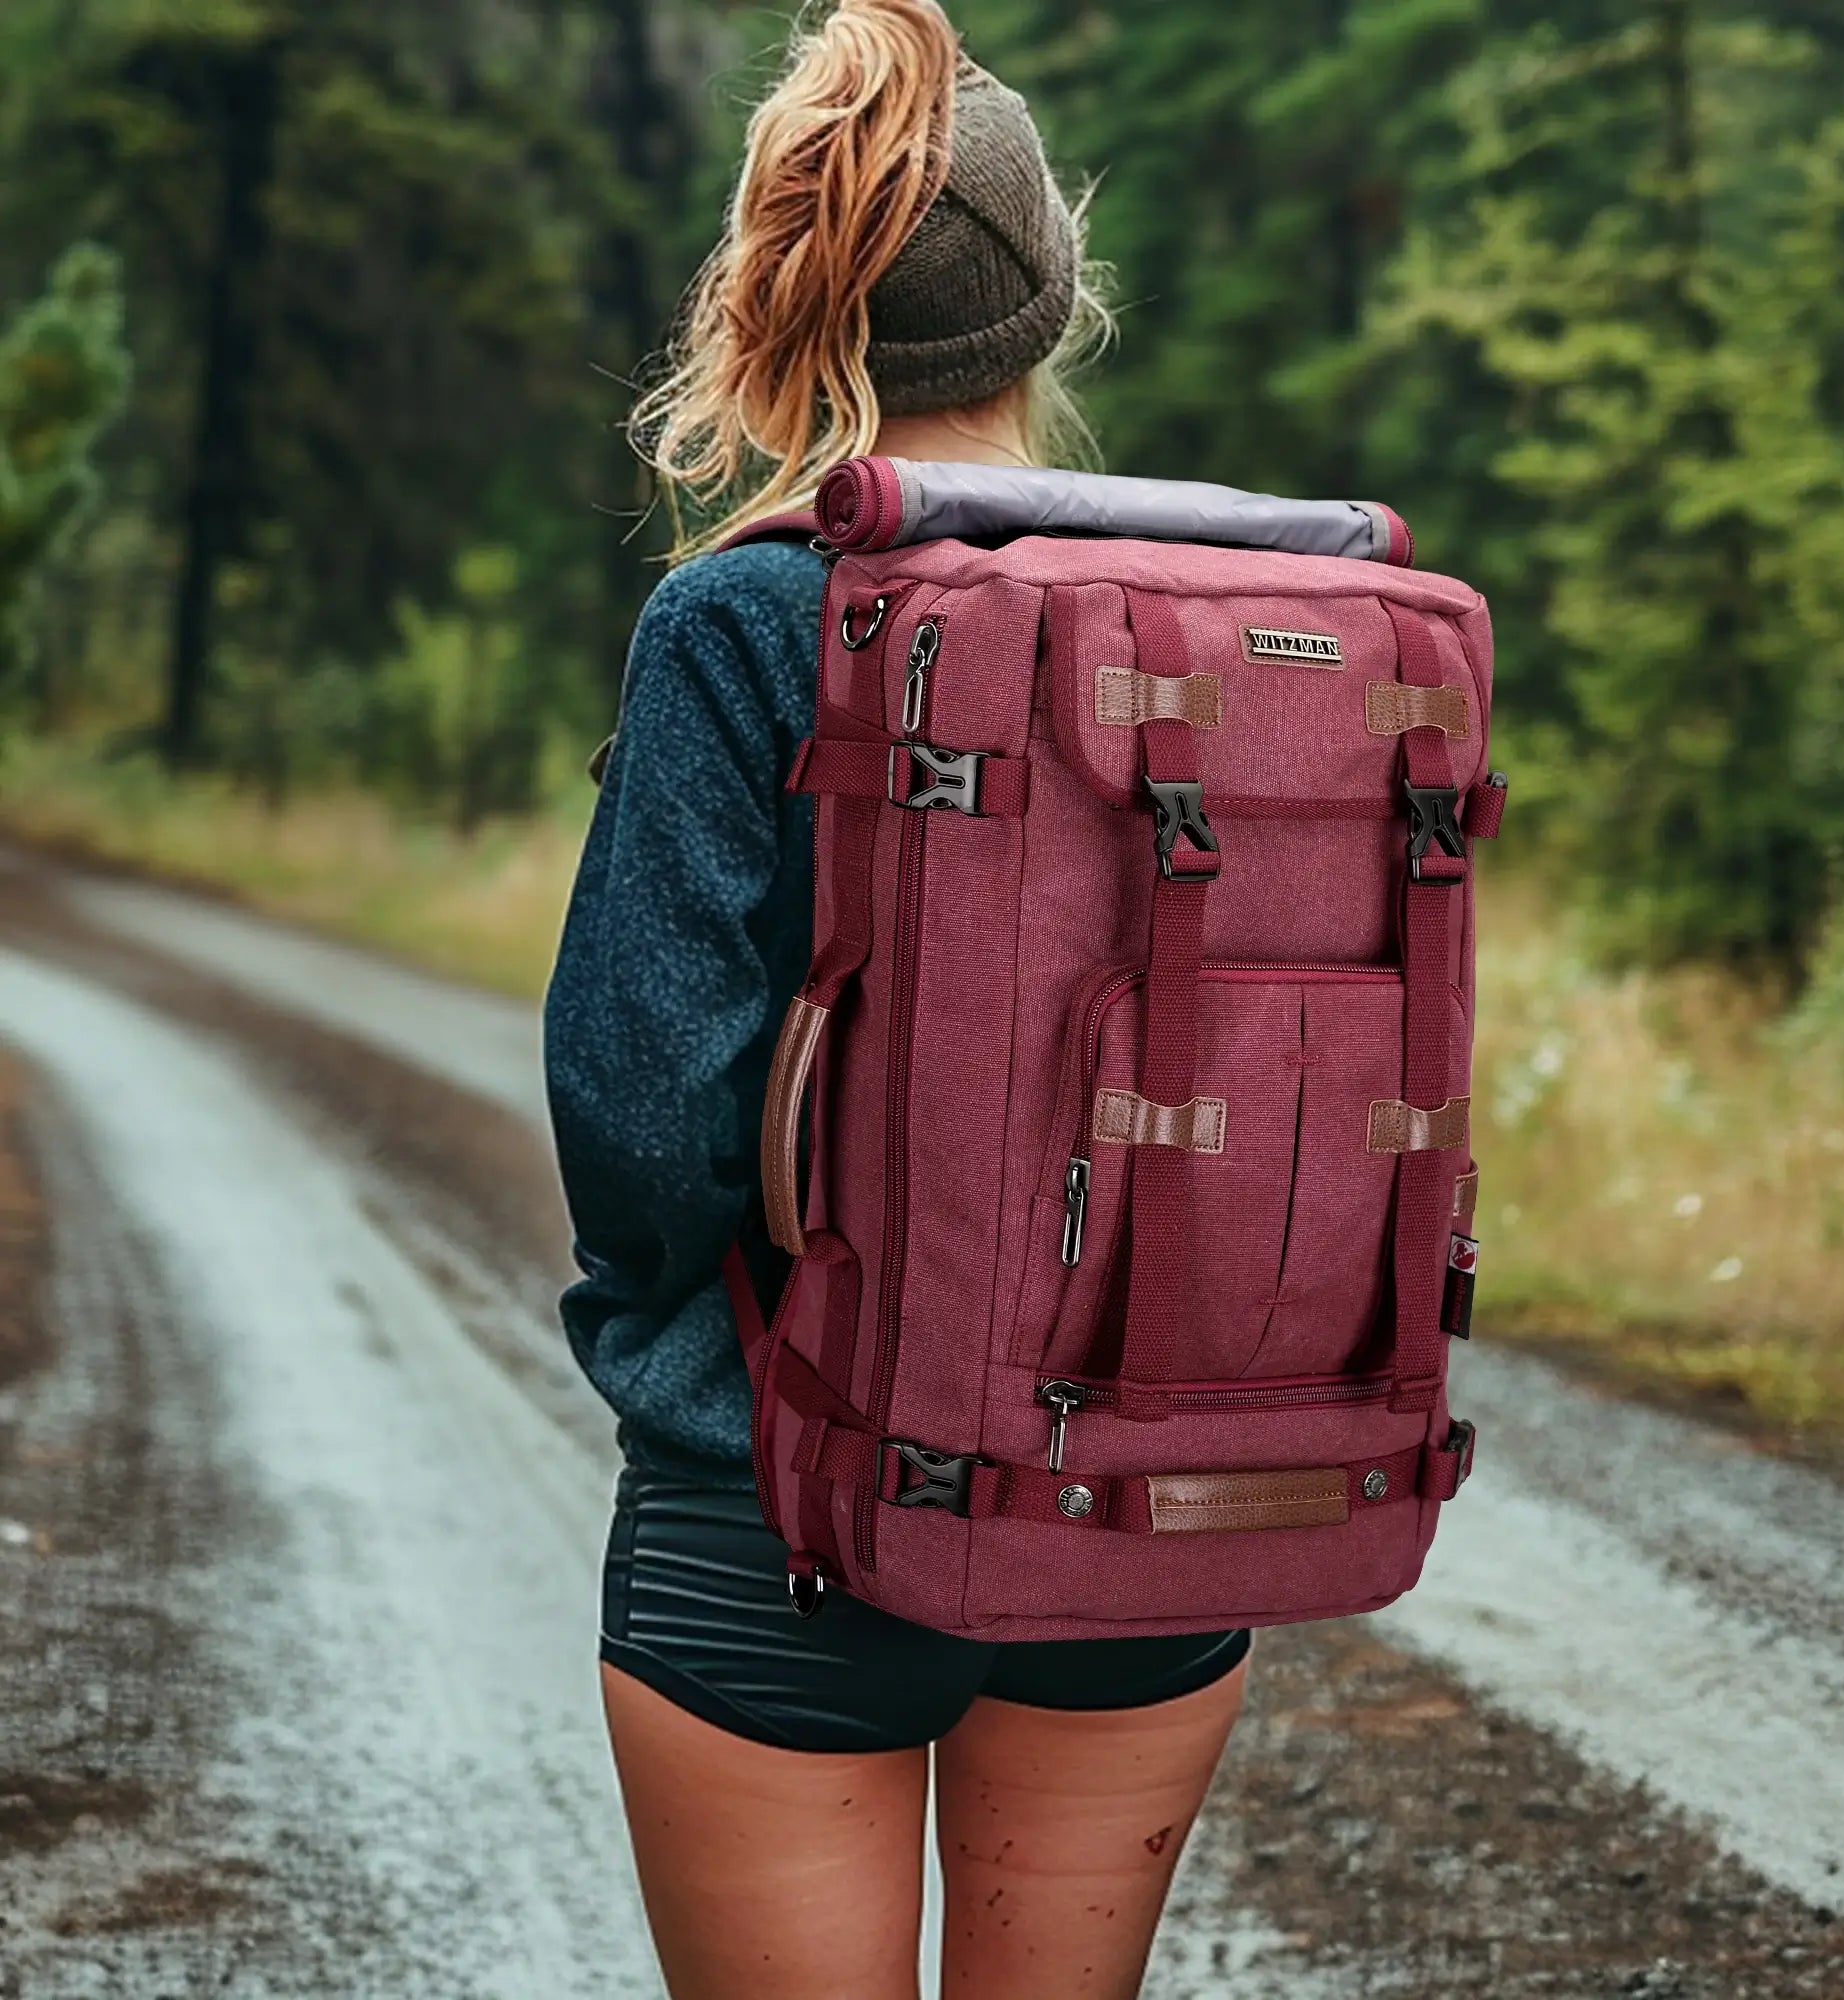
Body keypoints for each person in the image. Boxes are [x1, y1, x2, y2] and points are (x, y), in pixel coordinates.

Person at [544, 6, 1248, 1993]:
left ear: (773, 298)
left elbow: (638, 1107)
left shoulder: (741, 617)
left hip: (784, 1499)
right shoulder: (1206, 613)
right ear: (1054, 300)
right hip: (1131, 1498)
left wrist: (671, 1351)